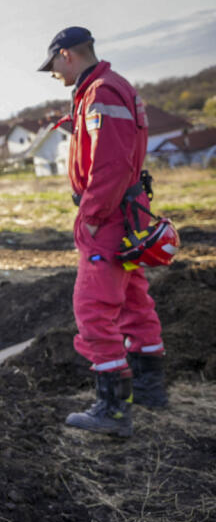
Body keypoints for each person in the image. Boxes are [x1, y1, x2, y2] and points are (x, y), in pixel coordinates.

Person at [39, 27, 166, 437]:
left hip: (109, 215)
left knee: (93, 308)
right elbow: (115, 146)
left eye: (53, 65)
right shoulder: (110, 88)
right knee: (132, 299)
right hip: (128, 211)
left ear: (67, 55)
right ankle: (149, 388)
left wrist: (90, 216)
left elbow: (110, 164)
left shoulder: (101, 94)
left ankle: (113, 410)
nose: (53, 73)